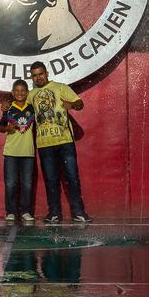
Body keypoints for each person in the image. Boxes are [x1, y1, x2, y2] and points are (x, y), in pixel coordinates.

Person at [27, 61, 92, 224]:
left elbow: (80, 103)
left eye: (40, 74)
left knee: (72, 177)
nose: (38, 77)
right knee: (51, 179)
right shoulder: (31, 94)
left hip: (65, 141)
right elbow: (21, 110)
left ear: (46, 73)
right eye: (34, 75)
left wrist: (72, 105)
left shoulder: (60, 87)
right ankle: (54, 213)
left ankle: (79, 212)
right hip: (44, 144)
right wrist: (7, 108)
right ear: (31, 77)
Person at [0, 79, 36, 223]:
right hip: (11, 152)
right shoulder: (8, 109)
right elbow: (1, 127)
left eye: (23, 91)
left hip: (28, 152)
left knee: (27, 184)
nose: (20, 93)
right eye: (17, 91)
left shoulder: (32, 108)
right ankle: (11, 212)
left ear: (27, 93)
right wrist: (7, 128)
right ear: (12, 93)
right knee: (10, 183)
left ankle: (26, 212)